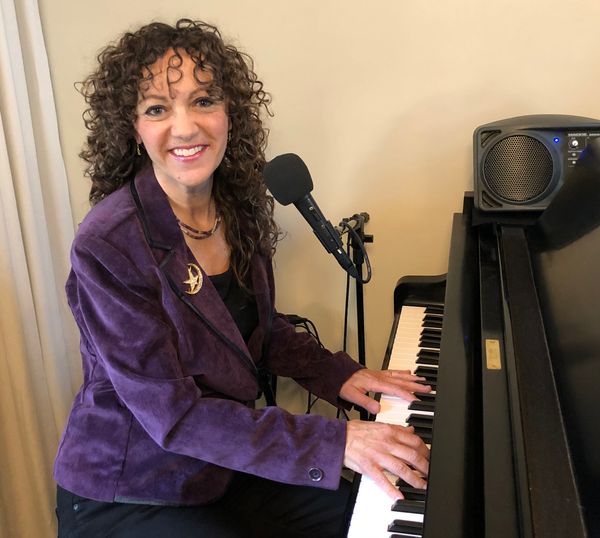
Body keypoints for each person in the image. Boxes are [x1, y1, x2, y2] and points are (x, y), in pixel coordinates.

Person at [54, 18, 430, 538]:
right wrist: (334, 441)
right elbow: (175, 417)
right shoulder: (108, 243)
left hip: (222, 465)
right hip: (135, 485)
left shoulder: (238, 208)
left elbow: (255, 330)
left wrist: (336, 374)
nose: (186, 127)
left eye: (204, 101)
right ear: (132, 128)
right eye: (157, 109)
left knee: (369, 511)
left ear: (230, 112)